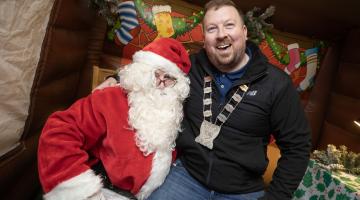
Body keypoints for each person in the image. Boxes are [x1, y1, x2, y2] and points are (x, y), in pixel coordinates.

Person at [96, 0, 311, 199]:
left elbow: (297, 148)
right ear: (205, 39)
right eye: (212, 29)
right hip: (186, 176)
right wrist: (114, 79)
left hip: (241, 191)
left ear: (244, 32)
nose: (221, 34)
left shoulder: (277, 84)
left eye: (229, 25)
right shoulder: (190, 66)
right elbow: (151, 68)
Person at [37, 38, 191, 200]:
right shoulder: (110, 98)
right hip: (98, 191)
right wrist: (81, 191)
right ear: (142, 70)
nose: (160, 83)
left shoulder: (172, 115)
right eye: (156, 73)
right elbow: (58, 132)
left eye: (169, 78)